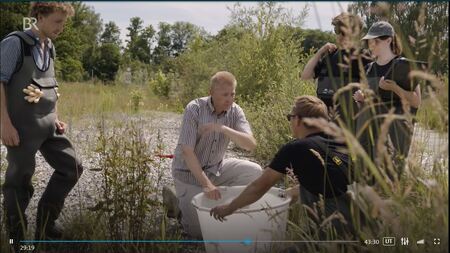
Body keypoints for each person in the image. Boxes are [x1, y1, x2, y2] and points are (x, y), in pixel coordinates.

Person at [210, 96, 353, 238]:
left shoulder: (296, 148)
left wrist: (229, 208)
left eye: (289, 117)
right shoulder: (340, 141)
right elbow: (332, 180)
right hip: (361, 221)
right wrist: (291, 193)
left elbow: (259, 186)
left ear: (297, 119)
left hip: (334, 230)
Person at [0, 2, 83, 245]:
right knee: (19, 184)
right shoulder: (15, 43)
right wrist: (4, 123)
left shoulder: (50, 46)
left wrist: (55, 116)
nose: (62, 27)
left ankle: (45, 230)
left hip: (48, 126)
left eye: (64, 22)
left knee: (72, 168)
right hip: (21, 129)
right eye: (57, 21)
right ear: (39, 16)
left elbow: (50, 85)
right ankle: (18, 242)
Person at [170, 71, 262, 239]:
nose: (229, 99)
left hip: (216, 168)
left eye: (232, 94)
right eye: (225, 94)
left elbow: (250, 145)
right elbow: (187, 152)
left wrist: (222, 128)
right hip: (188, 174)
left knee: (254, 170)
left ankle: (226, 205)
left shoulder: (235, 111)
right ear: (211, 92)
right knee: (197, 233)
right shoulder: (195, 108)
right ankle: (176, 203)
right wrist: (206, 184)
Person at [353, 21, 421, 176]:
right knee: (367, 176)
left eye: (376, 41)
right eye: (369, 41)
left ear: (389, 40)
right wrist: (361, 97)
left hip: (395, 135)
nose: (371, 45)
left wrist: (394, 88)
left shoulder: (404, 66)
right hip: (369, 134)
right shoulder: (369, 68)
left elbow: (416, 101)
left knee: (390, 179)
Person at [300, 13, 371, 133]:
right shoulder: (330, 55)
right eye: (336, 30)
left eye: (341, 31)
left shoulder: (364, 57)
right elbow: (305, 76)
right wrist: (320, 52)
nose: (338, 35)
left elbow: (373, 91)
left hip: (350, 128)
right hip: (323, 125)